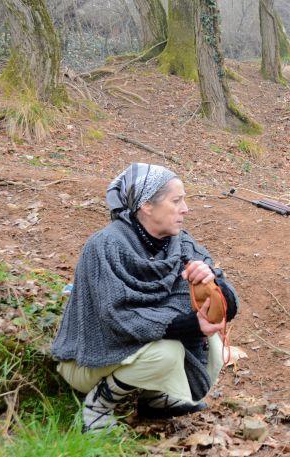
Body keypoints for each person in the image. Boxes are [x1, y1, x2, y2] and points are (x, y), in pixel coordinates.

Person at [51, 163, 239, 432]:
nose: (186, 209)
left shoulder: (181, 244)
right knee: (168, 352)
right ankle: (97, 405)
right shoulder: (105, 246)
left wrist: (212, 281)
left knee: (214, 348)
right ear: (147, 206)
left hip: (132, 351)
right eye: (177, 201)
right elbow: (117, 320)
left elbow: (227, 304)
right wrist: (190, 325)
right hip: (90, 359)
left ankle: (155, 399)